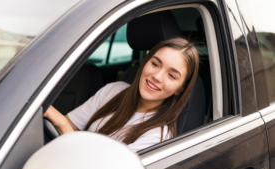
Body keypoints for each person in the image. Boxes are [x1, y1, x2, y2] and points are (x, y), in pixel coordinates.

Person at [44, 37, 200, 152]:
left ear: (180, 89)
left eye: (171, 75)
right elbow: (69, 125)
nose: (157, 77)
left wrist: (60, 122)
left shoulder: (157, 137)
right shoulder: (114, 90)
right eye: (155, 64)